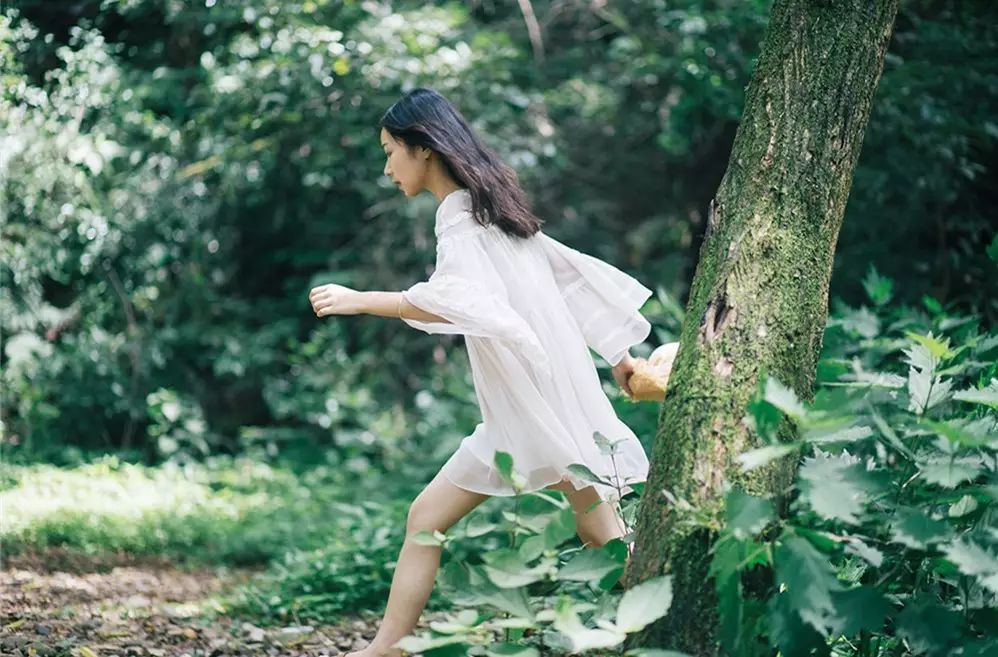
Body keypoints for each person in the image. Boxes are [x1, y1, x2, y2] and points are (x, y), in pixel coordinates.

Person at [307, 88, 653, 657]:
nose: (387, 167)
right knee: (431, 517)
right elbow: (570, 279)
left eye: (390, 151)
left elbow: (458, 300)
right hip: (525, 408)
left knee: (603, 537)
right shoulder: (493, 210)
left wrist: (361, 298)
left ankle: (676, 625)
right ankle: (384, 650)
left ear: (423, 149)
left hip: (536, 407)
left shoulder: (466, 221)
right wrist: (617, 354)